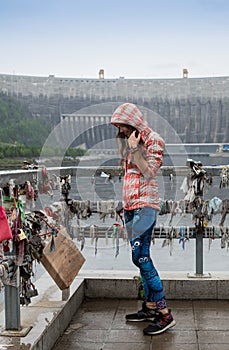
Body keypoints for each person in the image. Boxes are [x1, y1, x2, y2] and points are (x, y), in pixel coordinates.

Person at [111, 103, 176, 336]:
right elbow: (131, 177)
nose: (123, 132)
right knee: (141, 257)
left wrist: (135, 149)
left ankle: (164, 313)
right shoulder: (131, 142)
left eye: (124, 127)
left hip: (146, 207)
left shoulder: (153, 139)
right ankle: (150, 307)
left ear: (133, 122)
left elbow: (149, 172)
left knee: (140, 256)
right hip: (130, 208)